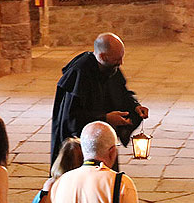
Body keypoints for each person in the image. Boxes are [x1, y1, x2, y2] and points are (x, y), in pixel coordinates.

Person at [50, 32, 149, 165]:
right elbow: (71, 118)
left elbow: (122, 92)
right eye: (117, 59)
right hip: (81, 148)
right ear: (102, 56)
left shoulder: (111, 67)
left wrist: (135, 106)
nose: (121, 62)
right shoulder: (80, 72)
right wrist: (106, 118)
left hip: (103, 144)